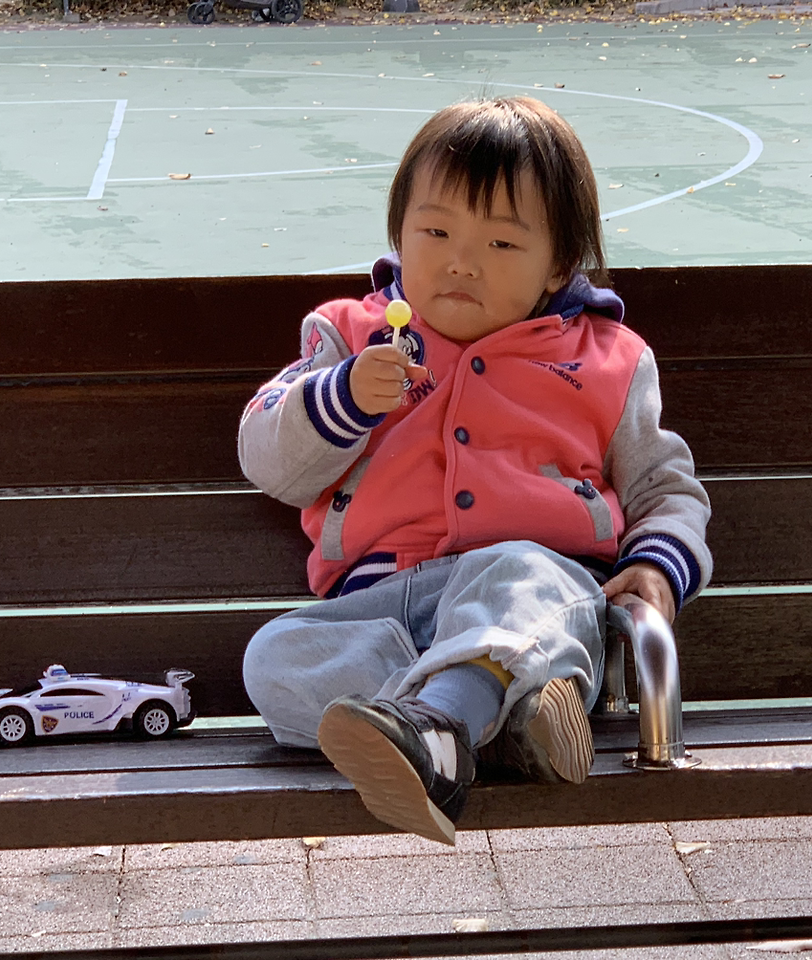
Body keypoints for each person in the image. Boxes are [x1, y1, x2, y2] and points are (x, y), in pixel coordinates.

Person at [239, 95, 712, 845]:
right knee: (272, 659)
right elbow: (268, 459)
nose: (461, 261)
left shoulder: (608, 360)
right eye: (435, 232)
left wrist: (658, 565)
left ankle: (441, 726)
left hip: (535, 599)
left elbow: (665, 487)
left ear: (558, 264)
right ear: (399, 233)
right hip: (385, 606)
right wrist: (342, 398)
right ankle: (491, 721)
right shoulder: (349, 337)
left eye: (500, 243)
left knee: (517, 568)